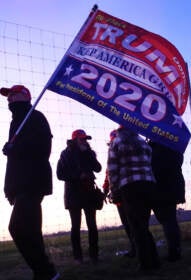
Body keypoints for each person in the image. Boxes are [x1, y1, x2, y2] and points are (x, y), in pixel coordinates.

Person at [1, 85, 59, 280]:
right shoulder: (16, 121)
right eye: (7, 96)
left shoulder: (35, 117)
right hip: (21, 184)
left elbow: (43, 148)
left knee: (17, 228)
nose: (9, 98)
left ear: (25, 96)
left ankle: (47, 272)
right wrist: (9, 187)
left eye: (13, 94)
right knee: (32, 232)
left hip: (33, 181)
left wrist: (14, 148)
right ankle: (43, 274)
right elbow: (15, 161)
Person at [107, 126, 160, 271]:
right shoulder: (142, 142)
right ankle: (154, 260)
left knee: (136, 227)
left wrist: (113, 190)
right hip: (148, 184)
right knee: (143, 224)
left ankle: (146, 264)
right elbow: (149, 162)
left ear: (119, 131)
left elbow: (112, 170)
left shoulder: (116, 142)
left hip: (130, 186)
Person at [56, 129, 102, 264]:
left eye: (86, 139)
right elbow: (60, 174)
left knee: (92, 225)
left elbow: (98, 168)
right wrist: (77, 176)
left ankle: (94, 255)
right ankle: (78, 257)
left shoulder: (89, 152)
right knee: (75, 226)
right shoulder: (65, 154)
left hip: (89, 192)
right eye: (82, 138)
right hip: (73, 194)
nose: (84, 141)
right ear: (75, 140)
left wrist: (89, 154)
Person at [149, 140, 186, 261]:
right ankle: (176, 249)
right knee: (170, 220)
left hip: (160, 189)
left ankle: (174, 252)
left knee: (167, 220)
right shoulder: (173, 147)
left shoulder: (153, 149)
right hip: (173, 188)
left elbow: (154, 168)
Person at [102, 129, 136, 258]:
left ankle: (138, 249)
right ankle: (137, 248)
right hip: (125, 192)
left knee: (131, 222)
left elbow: (110, 173)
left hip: (123, 192)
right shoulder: (132, 149)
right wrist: (105, 189)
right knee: (131, 223)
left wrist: (108, 189)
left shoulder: (115, 153)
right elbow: (108, 173)